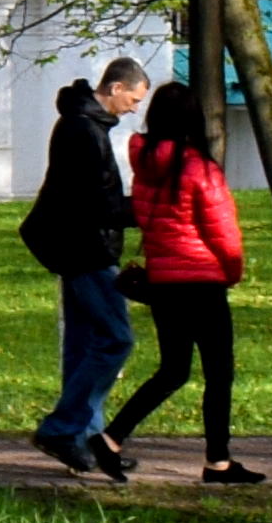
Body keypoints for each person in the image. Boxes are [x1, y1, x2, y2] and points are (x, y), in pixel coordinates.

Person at [98, 79, 258, 484]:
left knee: (172, 371)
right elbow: (223, 231)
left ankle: (110, 439)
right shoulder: (200, 168)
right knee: (218, 374)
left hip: (164, 281)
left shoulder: (145, 163)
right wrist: (232, 271)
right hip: (203, 281)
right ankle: (217, 462)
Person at [22, 57, 151, 471]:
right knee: (116, 340)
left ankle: (87, 440)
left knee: (84, 346)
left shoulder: (83, 123)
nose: (134, 107)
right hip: (87, 252)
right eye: (133, 98)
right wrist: (147, 211)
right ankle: (63, 429)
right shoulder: (82, 129)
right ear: (114, 88)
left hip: (78, 249)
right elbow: (95, 202)